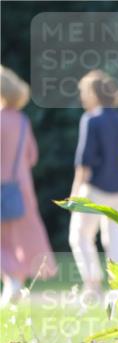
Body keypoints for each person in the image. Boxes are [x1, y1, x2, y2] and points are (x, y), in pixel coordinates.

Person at [68, 69, 118, 300]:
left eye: (84, 92)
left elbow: (84, 162)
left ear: (93, 94)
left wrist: (74, 194)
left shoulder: (91, 120)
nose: (82, 98)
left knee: (79, 235)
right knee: (116, 240)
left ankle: (93, 285)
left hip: (97, 189)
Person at [0, 65, 56, 305]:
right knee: (21, 237)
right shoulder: (22, 121)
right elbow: (32, 156)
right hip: (22, 187)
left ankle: (12, 278)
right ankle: (15, 284)